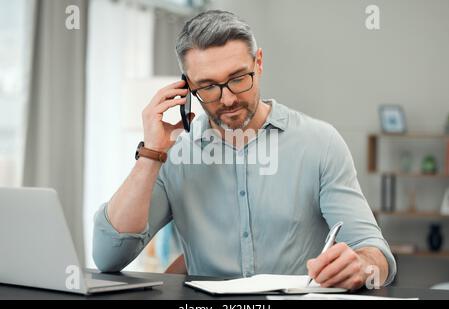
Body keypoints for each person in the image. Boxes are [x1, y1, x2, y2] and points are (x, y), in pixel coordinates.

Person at [93, 10, 396, 290]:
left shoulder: (320, 142)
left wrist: (363, 265)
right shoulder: (174, 154)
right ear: (186, 87)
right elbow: (108, 257)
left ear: (259, 63)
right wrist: (151, 154)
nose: (226, 100)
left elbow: (374, 252)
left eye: (238, 79)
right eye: (208, 86)